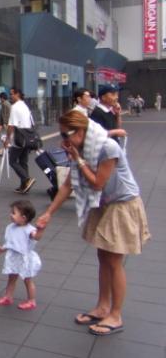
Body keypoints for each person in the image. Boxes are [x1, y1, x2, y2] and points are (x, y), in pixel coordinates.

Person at [37, 110, 150, 336]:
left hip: (122, 204)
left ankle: (115, 315)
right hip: (105, 204)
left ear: (79, 131)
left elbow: (98, 183)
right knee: (103, 256)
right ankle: (102, 307)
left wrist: (78, 160)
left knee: (114, 260)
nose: (63, 141)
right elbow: (68, 184)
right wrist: (48, 213)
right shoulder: (83, 147)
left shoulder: (107, 147)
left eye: (65, 135)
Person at [0, 199, 43, 310]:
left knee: (27, 279)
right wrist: (3, 248)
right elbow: (11, 242)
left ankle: (31, 300)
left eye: (13, 213)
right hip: (14, 257)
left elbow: (36, 237)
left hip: (24, 258)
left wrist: (40, 230)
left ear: (23, 218)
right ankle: (8, 297)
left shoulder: (29, 229)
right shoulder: (11, 227)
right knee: (11, 277)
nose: (11, 215)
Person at [4, 87, 36, 194]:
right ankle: (24, 186)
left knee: (12, 161)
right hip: (28, 137)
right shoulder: (25, 105)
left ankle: (27, 179)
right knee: (23, 161)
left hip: (19, 138)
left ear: (17, 94)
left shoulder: (15, 107)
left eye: (12, 94)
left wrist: (7, 139)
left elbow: (11, 125)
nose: (10, 96)